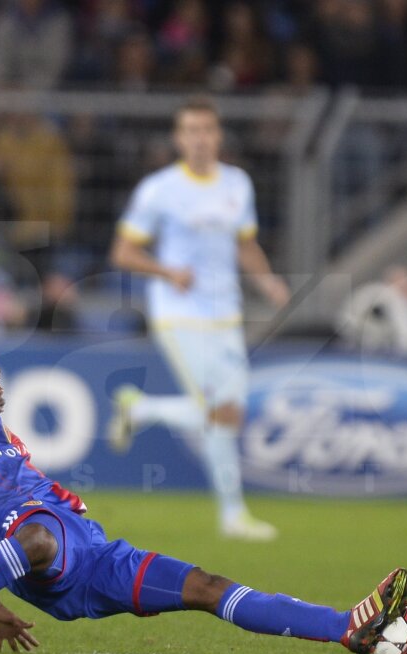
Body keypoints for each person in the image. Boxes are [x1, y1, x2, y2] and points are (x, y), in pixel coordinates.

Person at [0, 327, 407, 654]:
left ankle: (344, 628)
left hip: (90, 556)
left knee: (207, 588)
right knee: (38, 535)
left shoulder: (1, 438)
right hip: (44, 538)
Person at [107, 97, 290, 542]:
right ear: (179, 138)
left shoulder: (237, 184)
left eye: (207, 129)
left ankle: (142, 408)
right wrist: (167, 271)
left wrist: (266, 280)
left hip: (225, 313)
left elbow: (245, 243)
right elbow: (123, 252)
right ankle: (233, 516)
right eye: (191, 130)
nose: (200, 139)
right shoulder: (159, 189)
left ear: (218, 136)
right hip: (179, 314)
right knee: (218, 413)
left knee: (230, 415)